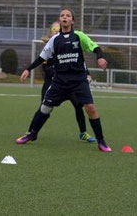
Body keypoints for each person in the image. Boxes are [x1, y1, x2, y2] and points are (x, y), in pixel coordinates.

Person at [17, 8, 112, 152]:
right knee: (45, 107)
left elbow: (95, 47)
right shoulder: (54, 40)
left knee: (90, 108)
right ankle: (32, 134)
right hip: (60, 81)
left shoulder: (79, 36)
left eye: (68, 16)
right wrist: (28, 69)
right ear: (60, 20)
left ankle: (101, 141)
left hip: (79, 80)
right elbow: (42, 58)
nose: (65, 17)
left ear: (72, 21)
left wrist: (100, 57)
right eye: (62, 16)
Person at [26, 21, 96, 143]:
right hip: (53, 84)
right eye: (54, 30)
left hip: (71, 83)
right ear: (51, 33)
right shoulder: (49, 49)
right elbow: (45, 69)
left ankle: (83, 132)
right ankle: (31, 131)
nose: (57, 32)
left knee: (79, 105)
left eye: (58, 30)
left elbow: (78, 63)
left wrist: (87, 74)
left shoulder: (67, 46)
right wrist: (60, 74)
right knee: (44, 107)